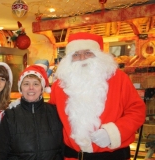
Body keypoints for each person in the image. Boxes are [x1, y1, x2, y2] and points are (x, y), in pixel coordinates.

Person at [48, 32, 146, 160]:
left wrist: (113, 132)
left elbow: (137, 110)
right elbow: (48, 117)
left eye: (88, 53)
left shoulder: (119, 79)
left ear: (99, 55)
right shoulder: (59, 85)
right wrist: (25, 104)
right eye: (76, 55)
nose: (82, 58)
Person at [0, 64, 64, 160]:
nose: (31, 87)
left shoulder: (55, 112)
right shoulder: (10, 115)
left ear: (42, 88)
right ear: (20, 88)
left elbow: (62, 149)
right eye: (26, 84)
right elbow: (0, 151)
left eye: (36, 84)